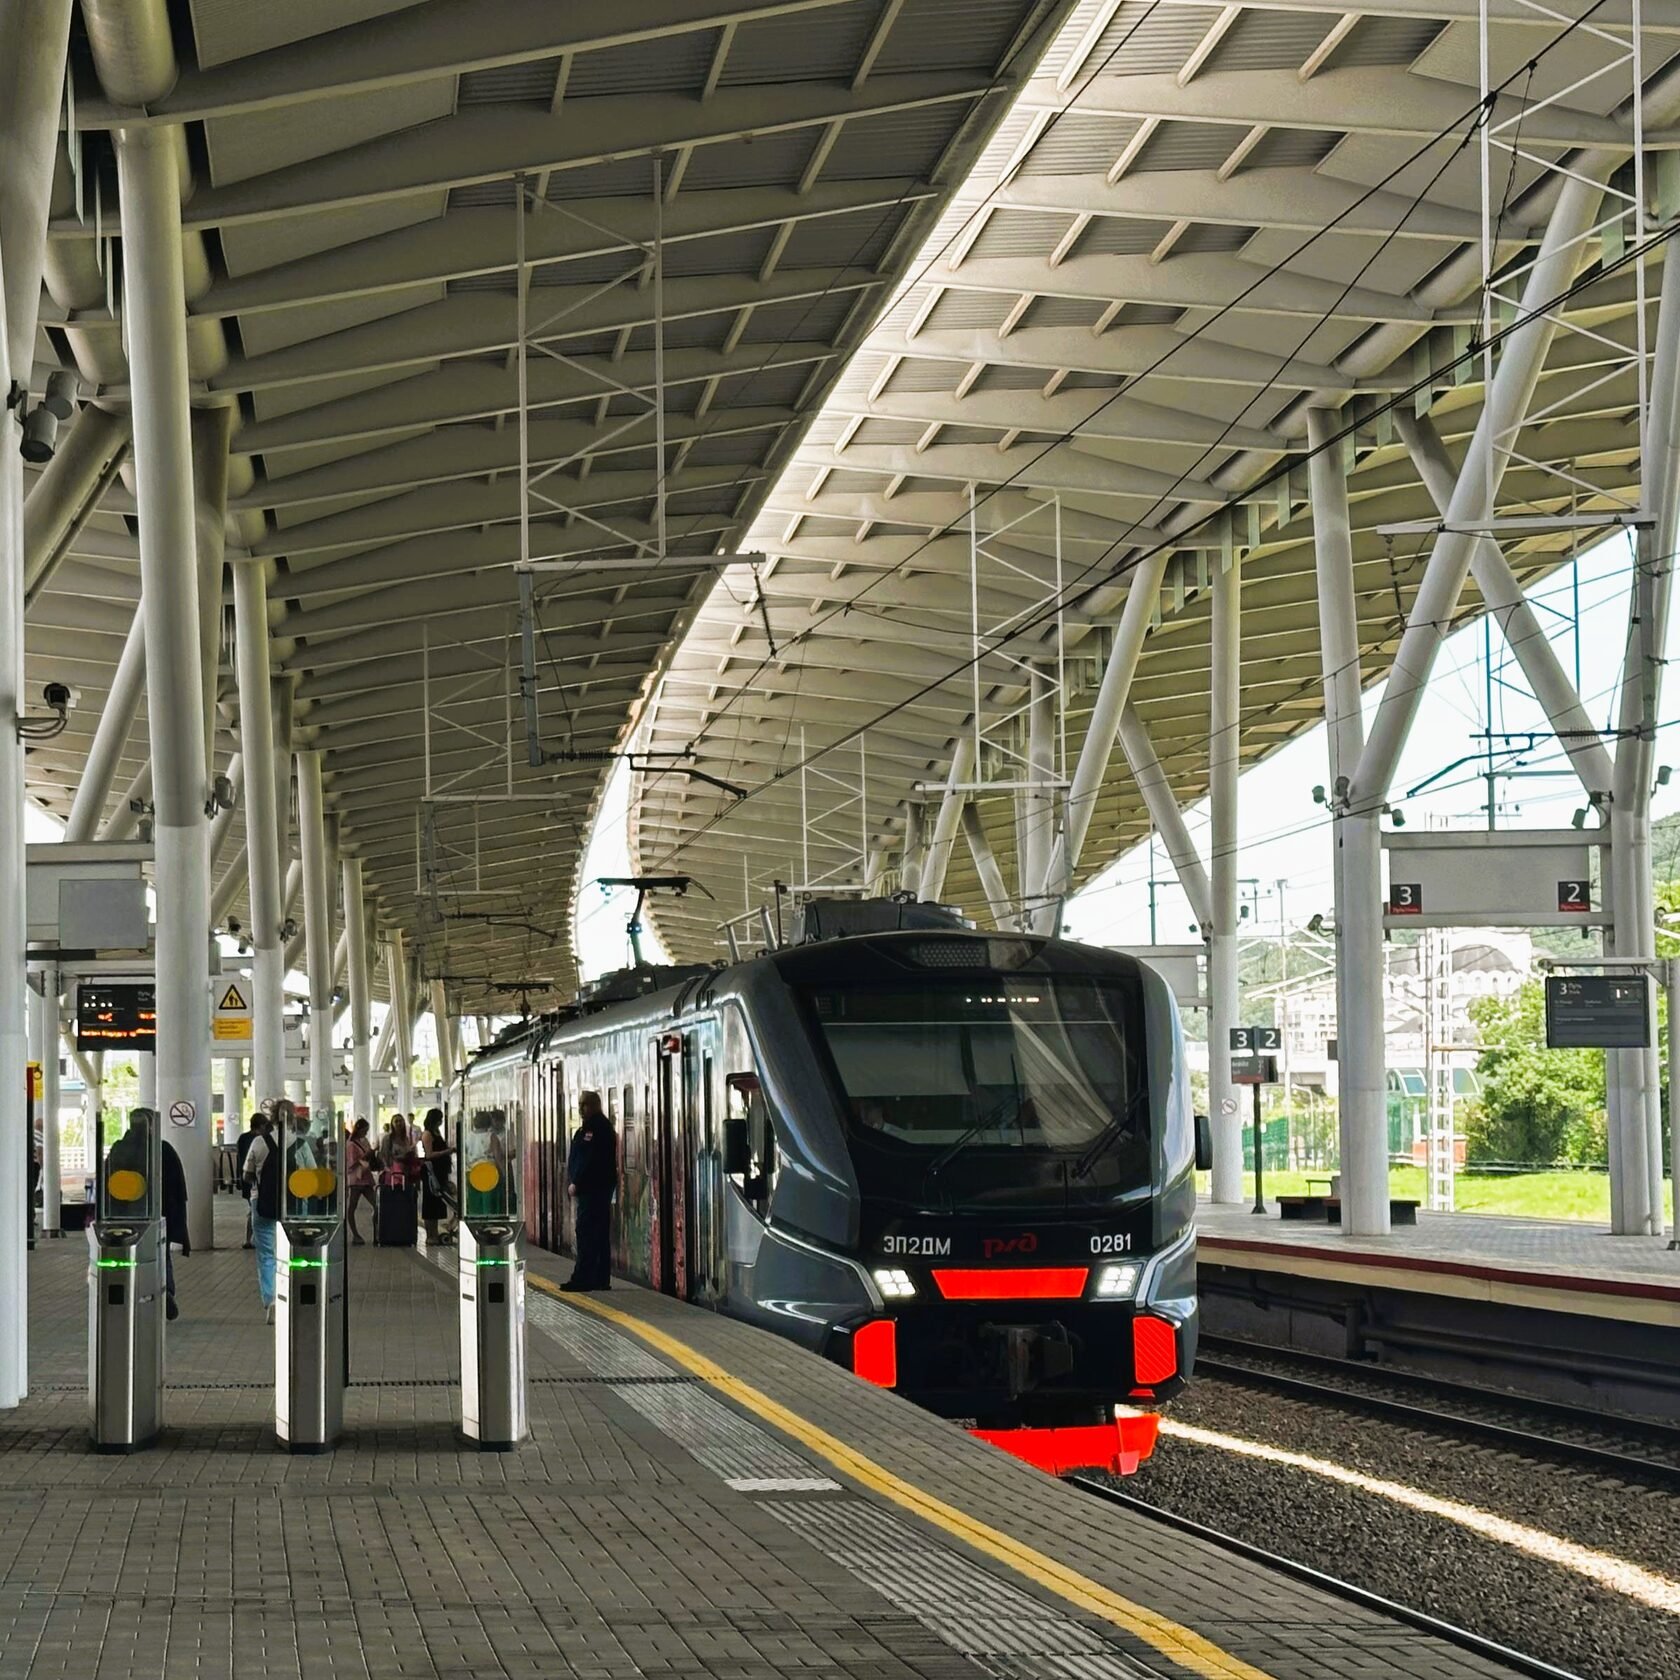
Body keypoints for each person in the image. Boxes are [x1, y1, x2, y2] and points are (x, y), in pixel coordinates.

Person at [563, 1090, 617, 1292]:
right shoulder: (595, 1127)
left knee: (587, 1234)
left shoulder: (596, 1129)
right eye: (580, 1105)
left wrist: (577, 1182)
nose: (580, 1109)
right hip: (597, 1189)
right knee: (599, 1234)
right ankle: (600, 1279)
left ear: (594, 1105)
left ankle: (583, 1278)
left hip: (593, 1190)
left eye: (584, 1105)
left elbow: (589, 1160)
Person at [242, 1103, 286, 1323]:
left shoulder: (259, 1142)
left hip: (262, 1203)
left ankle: (271, 1301)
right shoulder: (300, 1143)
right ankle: (289, 1297)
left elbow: (246, 1175)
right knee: (290, 1253)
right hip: (292, 1208)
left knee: (267, 1254)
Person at [160, 1134, 189, 1323]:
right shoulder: (165, 1149)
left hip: (127, 1214)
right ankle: (166, 1291)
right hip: (164, 1213)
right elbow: (178, 1187)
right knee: (163, 1254)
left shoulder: (121, 1149)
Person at [419, 1109, 454, 1248]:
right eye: (439, 1118)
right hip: (431, 1172)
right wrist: (447, 1151)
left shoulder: (437, 1133)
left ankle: (434, 1234)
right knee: (430, 1204)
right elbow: (429, 1154)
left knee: (437, 1203)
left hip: (440, 1172)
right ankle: (430, 1235)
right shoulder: (427, 1134)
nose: (441, 1121)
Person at [236, 1112, 267, 1248]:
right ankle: (252, 1239)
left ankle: (249, 1239)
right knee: (255, 1211)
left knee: (252, 1210)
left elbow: (240, 1160)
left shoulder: (243, 1138)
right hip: (258, 1181)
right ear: (262, 1125)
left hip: (246, 1178)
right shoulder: (261, 1140)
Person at [345, 1118, 376, 1245]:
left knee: (377, 1204)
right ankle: (355, 1234)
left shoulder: (363, 1142)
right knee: (352, 1207)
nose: (366, 1133)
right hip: (356, 1179)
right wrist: (366, 1155)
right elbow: (352, 1163)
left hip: (365, 1178)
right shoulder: (351, 1144)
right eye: (365, 1130)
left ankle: (377, 1231)